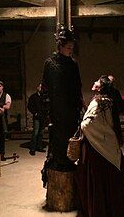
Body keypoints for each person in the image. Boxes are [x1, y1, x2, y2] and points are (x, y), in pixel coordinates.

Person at [75, 75, 124, 217]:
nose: (94, 82)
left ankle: (99, 208)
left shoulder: (98, 102)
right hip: (109, 143)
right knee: (111, 176)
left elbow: (90, 124)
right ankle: (114, 207)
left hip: (97, 146)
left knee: (97, 176)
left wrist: (81, 125)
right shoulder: (108, 101)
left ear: (100, 87)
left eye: (97, 81)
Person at [42, 26, 84, 172]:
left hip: (71, 110)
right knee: (58, 139)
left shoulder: (73, 64)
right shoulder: (50, 63)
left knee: (70, 138)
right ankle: (58, 163)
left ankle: (69, 162)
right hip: (57, 111)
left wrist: (80, 104)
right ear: (60, 46)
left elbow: (78, 86)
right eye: (68, 47)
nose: (71, 50)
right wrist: (47, 110)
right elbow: (45, 87)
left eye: (72, 47)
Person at [27, 83, 49, 156]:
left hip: (43, 117)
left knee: (41, 133)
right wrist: (35, 113)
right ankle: (32, 148)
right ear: (37, 88)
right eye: (40, 87)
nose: (41, 88)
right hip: (37, 117)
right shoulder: (33, 97)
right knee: (35, 132)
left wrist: (46, 113)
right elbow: (29, 106)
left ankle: (39, 147)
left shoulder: (45, 97)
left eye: (42, 87)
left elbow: (47, 105)